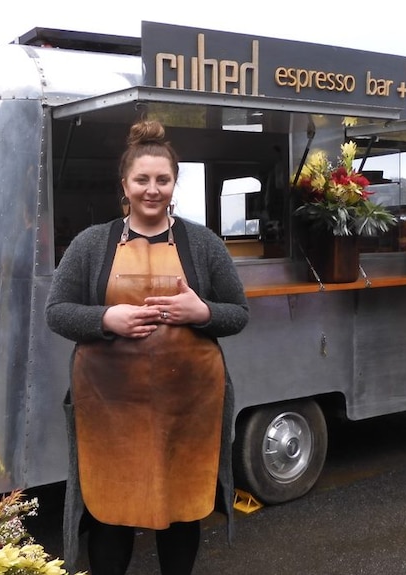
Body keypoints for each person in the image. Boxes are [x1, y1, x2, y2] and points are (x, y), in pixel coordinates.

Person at [45, 118, 249, 575]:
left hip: (189, 404)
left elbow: (238, 313)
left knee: (182, 508)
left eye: (163, 179)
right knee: (110, 512)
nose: (152, 189)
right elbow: (56, 312)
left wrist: (203, 314)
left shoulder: (204, 244)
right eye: (143, 180)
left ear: (175, 183)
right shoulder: (91, 244)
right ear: (125, 184)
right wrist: (105, 318)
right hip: (110, 406)